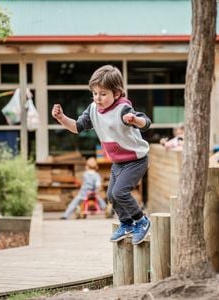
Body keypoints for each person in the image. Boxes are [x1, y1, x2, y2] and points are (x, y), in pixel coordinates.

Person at [52, 65, 151, 245]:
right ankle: (126, 223)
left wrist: (135, 120)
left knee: (120, 192)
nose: (98, 98)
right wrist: (61, 118)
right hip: (118, 162)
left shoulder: (123, 109)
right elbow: (76, 127)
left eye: (103, 94)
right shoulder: (92, 110)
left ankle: (142, 221)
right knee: (111, 196)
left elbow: (146, 123)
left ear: (117, 93)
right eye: (95, 93)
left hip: (136, 160)